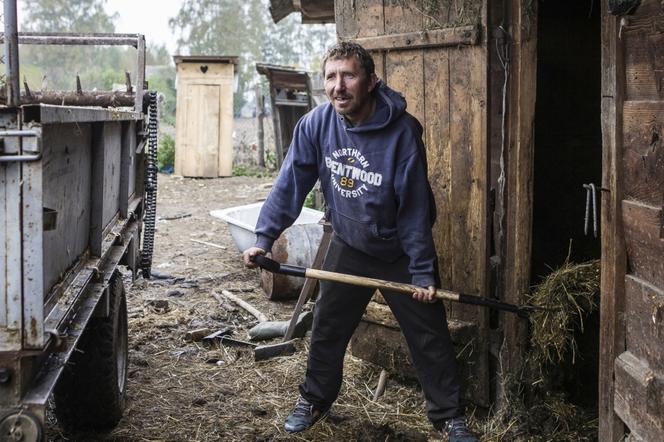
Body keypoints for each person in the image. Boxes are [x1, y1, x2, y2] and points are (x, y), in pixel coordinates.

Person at [243, 42, 477, 442]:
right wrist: (264, 238)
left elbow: (415, 209)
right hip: (349, 244)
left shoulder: (402, 132)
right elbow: (290, 186)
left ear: (369, 81)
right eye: (331, 77)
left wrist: (421, 272)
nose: (339, 86)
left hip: (398, 250)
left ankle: (449, 416)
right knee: (328, 327)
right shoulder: (316, 125)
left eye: (348, 75)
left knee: (429, 334)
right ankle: (314, 400)